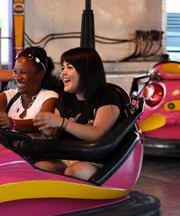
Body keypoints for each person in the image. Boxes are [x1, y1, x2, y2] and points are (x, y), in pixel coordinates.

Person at [33, 47, 122, 181]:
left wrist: (62, 122)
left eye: (69, 67)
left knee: (75, 171)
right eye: (63, 68)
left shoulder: (107, 97)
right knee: (39, 168)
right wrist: (48, 131)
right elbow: (54, 132)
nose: (63, 73)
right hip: (67, 158)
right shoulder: (65, 99)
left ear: (87, 71)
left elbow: (97, 133)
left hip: (97, 161)